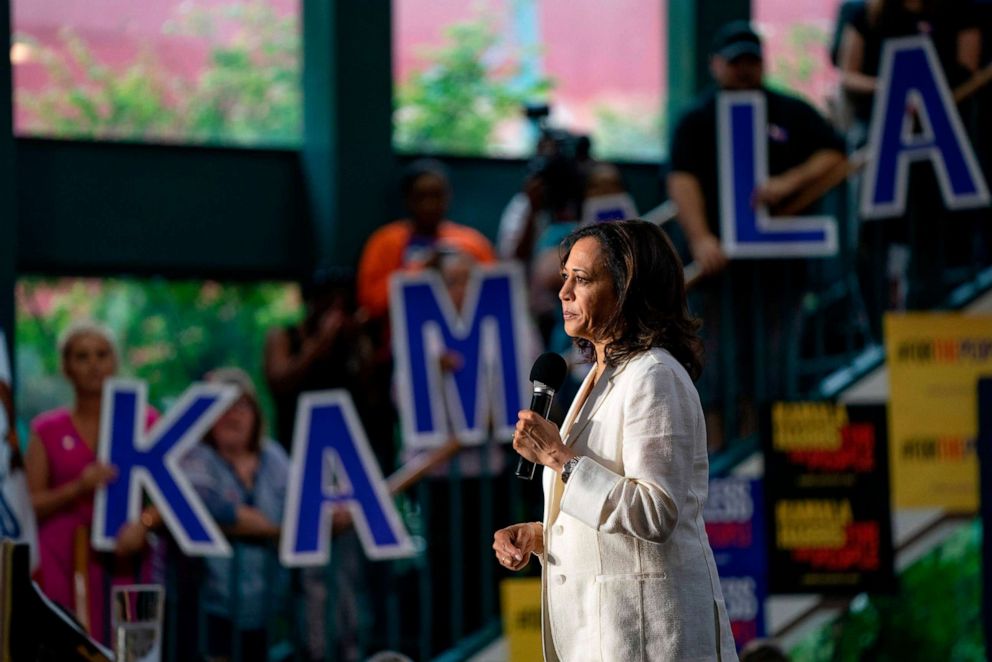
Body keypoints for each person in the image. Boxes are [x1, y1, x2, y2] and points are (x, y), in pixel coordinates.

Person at [492, 220, 737, 661]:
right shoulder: (599, 377)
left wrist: (557, 456)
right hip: (605, 639)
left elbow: (653, 512)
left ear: (626, 291)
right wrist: (542, 536)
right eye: (565, 276)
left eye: (581, 279)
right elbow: (607, 519)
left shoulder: (655, 376)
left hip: (652, 643)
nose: (563, 291)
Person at [667, 21, 847, 446]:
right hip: (718, 274)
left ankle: (759, 459)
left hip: (777, 270)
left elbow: (835, 154)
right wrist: (701, 239)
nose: (744, 70)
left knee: (770, 373)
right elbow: (681, 180)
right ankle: (719, 467)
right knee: (714, 373)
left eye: (752, 61)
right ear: (716, 66)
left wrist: (789, 183)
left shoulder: (789, 110)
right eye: (735, 63)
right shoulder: (696, 119)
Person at [24, 321, 158, 644]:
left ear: (115, 361)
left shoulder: (147, 420)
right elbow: (29, 504)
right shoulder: (47, 429)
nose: (94, 364)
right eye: (82, 356)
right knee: (63, 647)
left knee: (135, 649)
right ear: (66, 367)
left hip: (129, 557)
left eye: (102, 354)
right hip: (59, 559)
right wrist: (77, 488)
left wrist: (144, 523)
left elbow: (171, 497)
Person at [180, 367, 291, 662]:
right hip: (211, 605)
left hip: (270, 604)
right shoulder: (197, 455)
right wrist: (247, 520)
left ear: (255, 413)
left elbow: (299, 503)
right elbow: (199, 499)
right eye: (223, 407)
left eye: (242, 405)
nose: (233, 415)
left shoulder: (274, 456)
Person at [356, 159, 496, 322]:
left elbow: (496, 293)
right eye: (421, 196)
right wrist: (421, 268)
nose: (429, 205)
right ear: (407, 199)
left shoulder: (473, 242)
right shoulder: (385, 241)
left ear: (448, 196)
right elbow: (370, 302)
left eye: (436, 195)